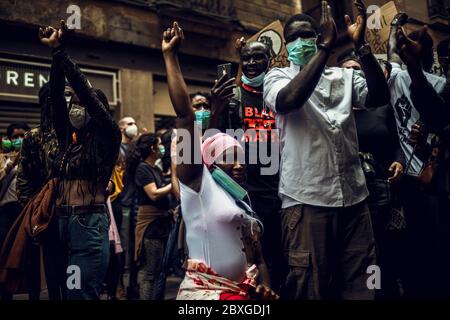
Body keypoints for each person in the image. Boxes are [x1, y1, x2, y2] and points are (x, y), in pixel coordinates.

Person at [263, 0, 390, 299]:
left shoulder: (342, 77)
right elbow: (289, 101)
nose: (299, 42)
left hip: (355, 199)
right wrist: (323, 50)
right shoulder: (277, 77)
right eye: (292, 38)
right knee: (310, 287)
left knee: (366, 280)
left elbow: (379, 96)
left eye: (306, 35)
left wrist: (363, 49)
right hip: (306, 200)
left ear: (318, 36)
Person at [163, 21, 277, 300]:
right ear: (210, 162)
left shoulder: (242, 198)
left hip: (243, 294)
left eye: (241, 159)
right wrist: (170, 56)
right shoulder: (197, 185)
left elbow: (259, 260)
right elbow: (185, 117)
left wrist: (265, 287)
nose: (238, 166)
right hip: (205, 295)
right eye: (229, 159)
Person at [38, 21, 121, 300]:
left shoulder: (107, 137)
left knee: (81, 294)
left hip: (87, 224)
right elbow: (56, 102)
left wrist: (62, 51)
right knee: (66, 292)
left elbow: (86, 94)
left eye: (80, 104)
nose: (75, 108)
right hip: (62, 224)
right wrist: (53, 55)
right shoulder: (68, 142)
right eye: (72, 103)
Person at [388, 13, 450, 298]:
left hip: (435, 183)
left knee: (437, 251)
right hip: (409, 183)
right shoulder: (399, 77)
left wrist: (429, 149)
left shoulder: (440, 85)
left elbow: (440, 120)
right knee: (415, 252)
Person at [214, 38, 283, 290]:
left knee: (278, 257)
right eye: (247, 59)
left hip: (279, 191)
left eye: (258, 57)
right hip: (243, 193)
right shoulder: (232, 97)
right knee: (248, 261)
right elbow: (213, 139)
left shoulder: (278, 94)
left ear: (270, 61)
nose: (252, 63)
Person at [338, 51, 406, 298]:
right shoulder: (335, 112)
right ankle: (370, 292)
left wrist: (398, 161)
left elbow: (396, 142)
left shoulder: (381, 108)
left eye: (357, 68)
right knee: (361, 252)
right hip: (350, 192)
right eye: (347, 70)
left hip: (382, 190)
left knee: (385, 249)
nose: (353, 73)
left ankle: (387, 291)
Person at [127, 133, 172, 299]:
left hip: (161, 223)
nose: (162, 148)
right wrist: (173, 183)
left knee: (159, 271)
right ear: (152, 148)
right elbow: (153, 194)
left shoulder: (156, 169)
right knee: (149, 273)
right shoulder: (143, 169)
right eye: (159, 144)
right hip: (151, 225)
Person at [110, 116, 139, 299]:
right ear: (121, 128)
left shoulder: (136, 148)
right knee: (122, 248)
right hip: (122, 203)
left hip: (137, 202)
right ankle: (119, 284)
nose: (133, 126)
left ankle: (133, 284)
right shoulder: (116, 148)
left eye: (133, 123)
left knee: (135, 248)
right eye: (129, 123)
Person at [0, 123, 29, 299]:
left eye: (22, 136)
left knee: (24, 252)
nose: (18, 140)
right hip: (5, 210)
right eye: (15, 137)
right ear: (9, 140)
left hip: (24, 209)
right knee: (4, 248)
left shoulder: (33, 157)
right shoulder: (2, 159)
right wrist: (10, 164)